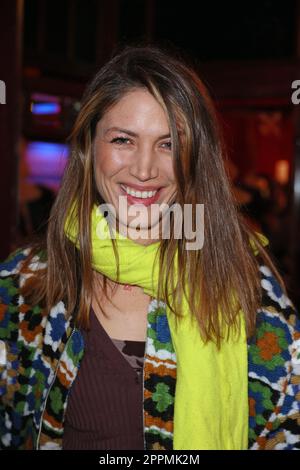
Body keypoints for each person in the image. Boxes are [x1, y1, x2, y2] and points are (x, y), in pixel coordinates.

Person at [0, 46, 299, 451]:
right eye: (123, 139)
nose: (144, 170)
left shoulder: (248, 283)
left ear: (196, 158)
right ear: (90, 147)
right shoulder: (26, 281)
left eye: (168, 144)